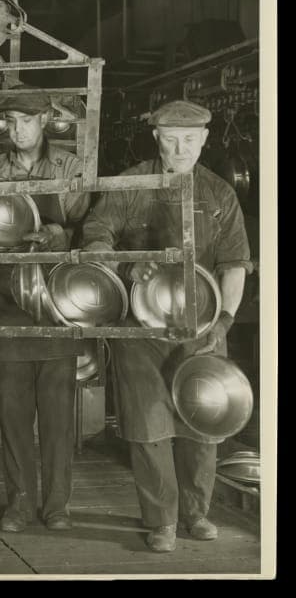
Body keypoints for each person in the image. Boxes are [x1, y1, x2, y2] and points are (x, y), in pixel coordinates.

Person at [81, 100, 252, 553]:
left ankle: (196, 514)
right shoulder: (130, 185)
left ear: (204, 141)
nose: (181, 149)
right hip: (141, 331)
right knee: (147, 427)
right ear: (157, 137)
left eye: (190, 141)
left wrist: (226, 321)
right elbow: (96, 232)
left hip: (202, 327)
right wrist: (125, 262)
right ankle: (162, 521)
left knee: (202, 421)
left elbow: (236, 264)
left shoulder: (219, 194)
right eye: (172, 139)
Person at [0, 89, 90, 533]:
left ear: (47, 119)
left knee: (57, 418)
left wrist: (58, 235)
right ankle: (18, 503)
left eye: (26, 121)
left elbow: (87, 227)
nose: (17, 131)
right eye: (10, 122)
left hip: (57, 300)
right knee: (13, 416)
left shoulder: (70, 166)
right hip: (7, 300)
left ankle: (57, 506)